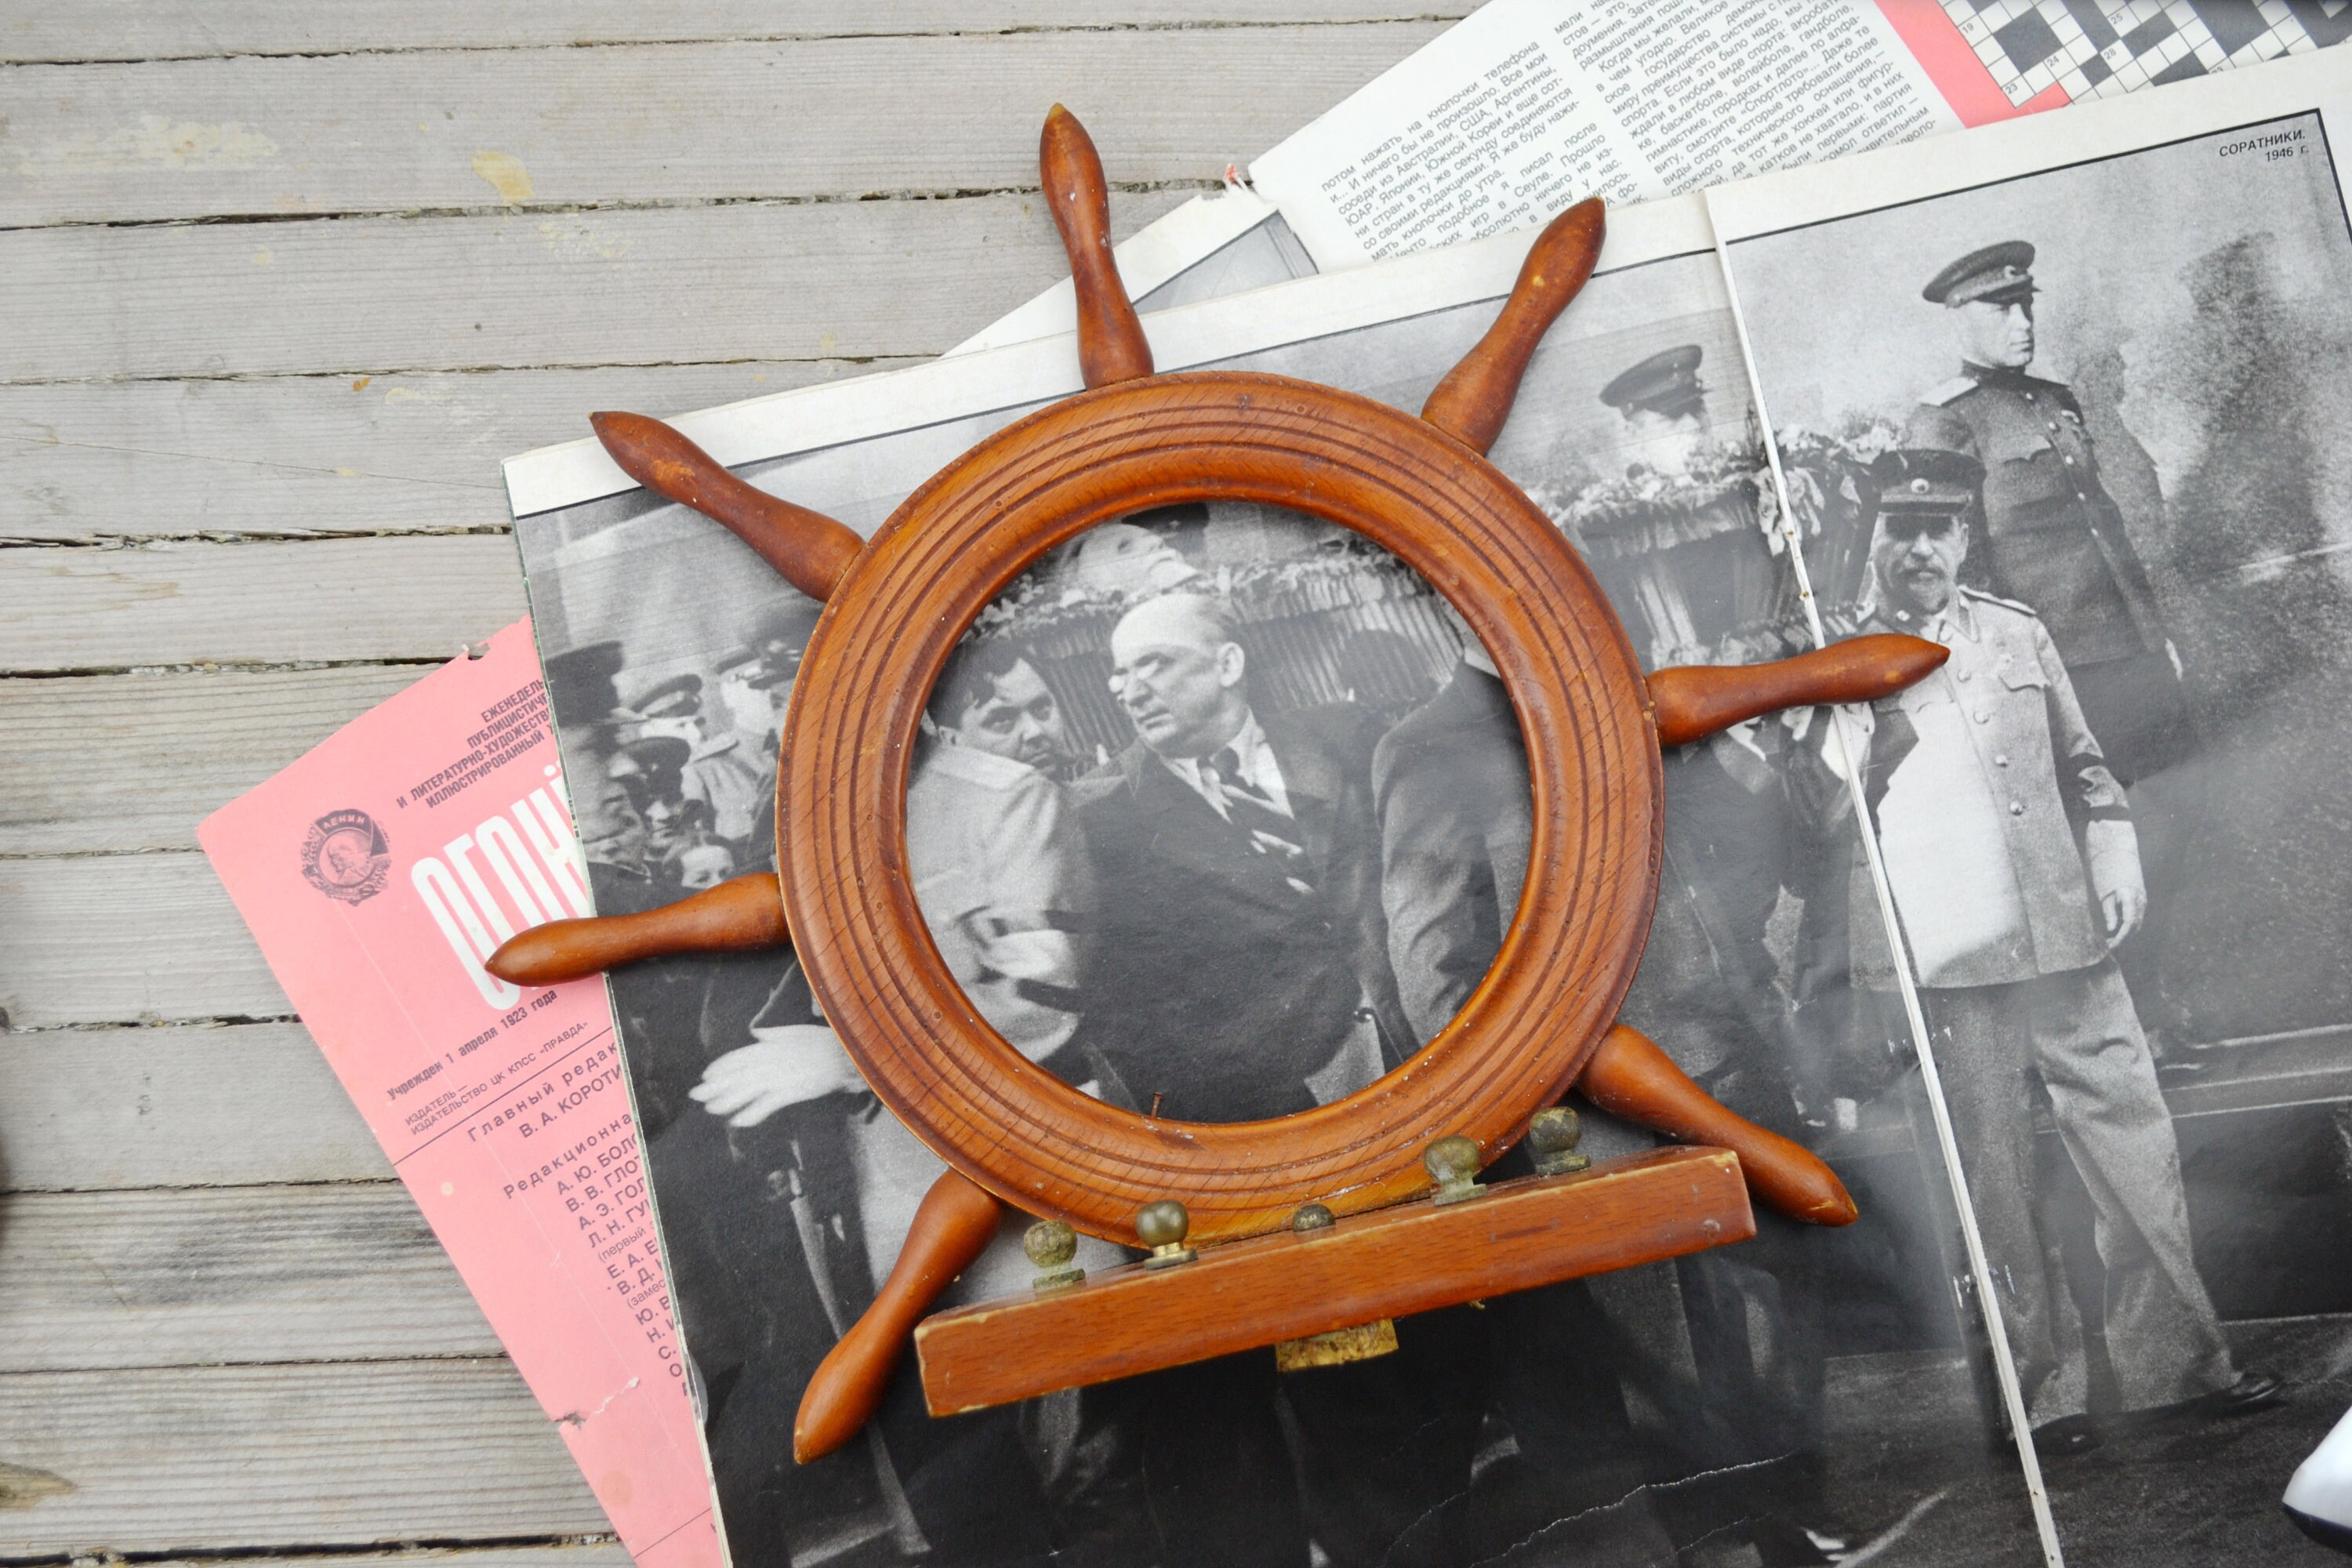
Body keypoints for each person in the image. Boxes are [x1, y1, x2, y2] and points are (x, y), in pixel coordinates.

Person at [1846, 447, 2277, 1455]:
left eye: (1941, 526)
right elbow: (1829, 832)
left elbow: (2087, 772)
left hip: (2067, 940)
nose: (1923, 547)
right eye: (1901, 528)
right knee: (1988, 1182)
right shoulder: (1836, 659)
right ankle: (2042, 1401)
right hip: (1949, 957)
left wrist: (2116, 853)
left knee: (2136, 1143)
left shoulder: (2013, 632)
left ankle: (2179, 1367)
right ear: (1869, 536)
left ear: (1965, 534)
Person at [1904, 241, 2198, 1044]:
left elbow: (2110, 528)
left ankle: (2151, 995)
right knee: (2076, 843)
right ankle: (2116, 1024)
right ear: (1961, 318)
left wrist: (2156, 635)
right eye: (2001, 308)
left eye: (2026, 303)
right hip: (2050, 666)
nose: (2021, 319)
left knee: (2166, 818)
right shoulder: (1947, 419)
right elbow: (1949, 563)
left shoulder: (2056, 399)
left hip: (2126, 653)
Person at [1069, 590, 1410, 1124]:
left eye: (1154, 664)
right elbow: (1135, 1017)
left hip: (1425, 1044)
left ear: (1227, 664)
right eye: (1120, 674)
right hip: (1277, 1109)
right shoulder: (1103, 816)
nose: (1129, 693)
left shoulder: (1348, 739)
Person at [623, 669, 768, 848]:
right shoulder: (635, 786)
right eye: (681, 726)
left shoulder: (729, 766)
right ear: (648, 731)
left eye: (698, 724)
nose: (696, 735)